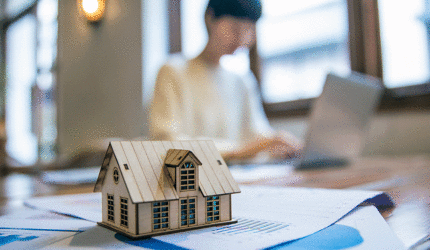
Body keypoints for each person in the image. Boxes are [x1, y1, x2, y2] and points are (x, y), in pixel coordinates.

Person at [149, 0, 301, 162]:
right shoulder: (173, 72)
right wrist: (240, 150)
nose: (242, 37)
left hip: (244, 177)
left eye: (249, 29)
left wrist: (280, 144)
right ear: (210, 18)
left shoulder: (243, 81)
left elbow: (258, 134)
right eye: (234, 28)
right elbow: (166, 141)